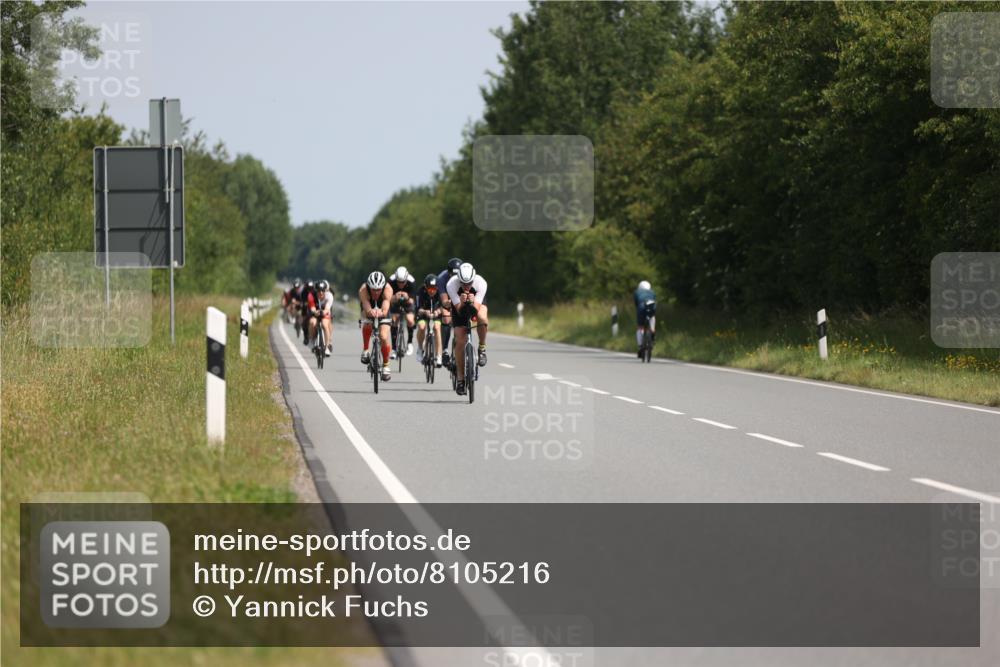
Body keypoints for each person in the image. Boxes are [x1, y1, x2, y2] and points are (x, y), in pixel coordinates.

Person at [446, 262, 489, 395]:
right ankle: (460, 379)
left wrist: (472, 300)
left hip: (477, 303)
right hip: (459, 306)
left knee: (482, 318)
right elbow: (459, 310)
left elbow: (475, 309)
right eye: (463, 284)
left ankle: (482, 348)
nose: (466, 286)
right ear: (458, 279)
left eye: (469, 283)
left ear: (473, 279)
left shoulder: (481, 283)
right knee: (460, 339)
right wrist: (463, 302)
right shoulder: (451, 284)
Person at [358, 271, 393, 381]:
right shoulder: (363, 290)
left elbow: (386, 305)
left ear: (382, 287)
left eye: (378, 289)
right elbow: (366, 306)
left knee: (383, 336)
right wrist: (370, 311)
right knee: (367, 322)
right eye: (373, 289)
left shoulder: (388, 289)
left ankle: (386, 365)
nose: (376, 292)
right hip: (368, 305)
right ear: (369, 286)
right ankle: (365, 350)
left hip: (383, 308)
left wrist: (382, 312)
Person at [436, 257, 463, 366]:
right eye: (452, 274)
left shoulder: (464, 277)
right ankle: (445, 350)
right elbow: (444, 301)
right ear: (448, 272)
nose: (454, 277)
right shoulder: (442, 279)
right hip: (448, 299)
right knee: (446, 318)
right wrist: (452, 303)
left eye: (457, 275)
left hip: (460, 299)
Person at [415, 273, 444, 367]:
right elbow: (417, 308)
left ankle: (439, 355)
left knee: (436, 327)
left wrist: (438, 311)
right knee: (422, 327)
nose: (432, 291)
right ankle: (420, 348)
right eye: (429, 289)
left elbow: (445, 306)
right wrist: (424, 311)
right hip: (423, 314)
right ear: (425, 287)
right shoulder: (420, 292)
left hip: (436, 314)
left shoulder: (441, 292)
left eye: (434, 289)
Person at [388, 266, 416, 358]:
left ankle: (410, 343)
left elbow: (412, 300)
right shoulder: (391, 281)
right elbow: (387, 298)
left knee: (410, 320)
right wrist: (395, 297)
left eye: (403, 282)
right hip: (395, 301)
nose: (400, 284)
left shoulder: (411, 281)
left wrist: (407, 297)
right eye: (398, 282)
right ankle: (394, 349)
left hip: (407, 302)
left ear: (406, 279)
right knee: (394, 320)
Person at [308, 280, 335, 357]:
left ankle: (327, 346)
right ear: (315, 291)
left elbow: (327, 308)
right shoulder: (311, 295)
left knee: (324, 324)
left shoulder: (329, 295)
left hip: (325, 311)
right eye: (319, 291)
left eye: (323, 291)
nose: (321, 293)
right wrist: (314, 312)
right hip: (315, 312)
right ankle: (311, 340)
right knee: (312, 322)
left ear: (325, 290)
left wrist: (324, 312)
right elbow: (312, 307)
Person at [634, 279, 656, 357]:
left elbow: (636, 303)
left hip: (641, 307)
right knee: (652, 317)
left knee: (640, 327)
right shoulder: (652, 292)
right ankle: (652, 334)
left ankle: (640, 346)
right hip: (651, 306)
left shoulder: (637, 292)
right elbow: (654, 300)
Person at [299, 280, 317, 345]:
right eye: (308, 288)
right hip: (306, 308)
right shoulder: (303, 292)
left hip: (314, 307)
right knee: (304, 322)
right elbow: (302, 301)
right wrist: (304, 304)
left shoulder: (315, 292)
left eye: (311, 288)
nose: (309, 289)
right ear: (306, 287)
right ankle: (306, 337)